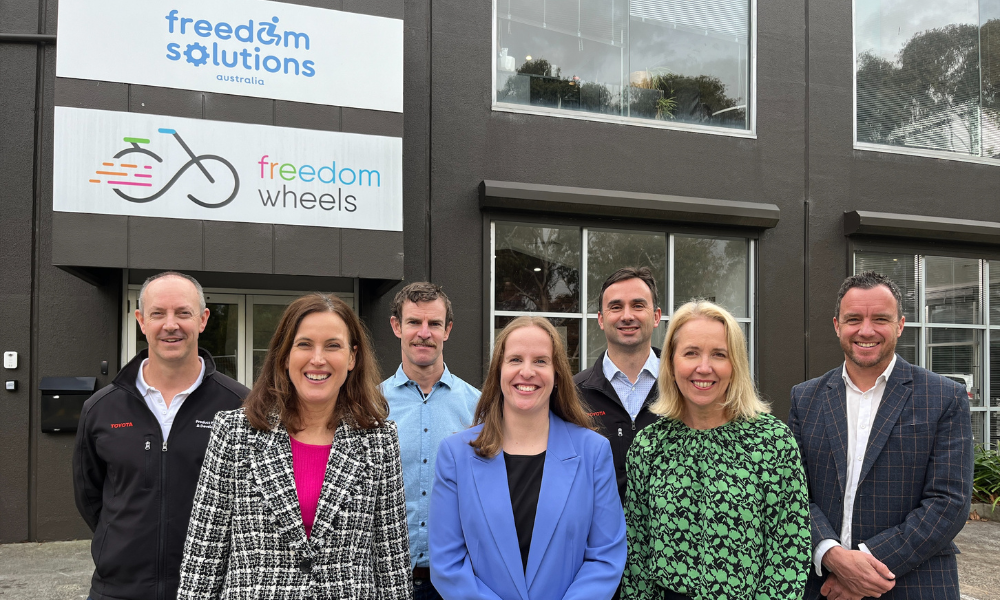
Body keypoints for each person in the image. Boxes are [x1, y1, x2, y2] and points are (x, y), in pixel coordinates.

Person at [176, 294, 411, 599]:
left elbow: (391, 564)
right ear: (284, 355)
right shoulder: (234, 433)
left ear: (352, 357)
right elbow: (202, 559)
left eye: (332, 345)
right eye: (304, 344)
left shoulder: (379, 440)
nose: (318, 359)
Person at [789, 272, 973, 600]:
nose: (866, 330)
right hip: (823, 586)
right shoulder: (805, 398)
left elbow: (949, 502)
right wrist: (832, 556)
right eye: (854, 319)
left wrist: (863, 570)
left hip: (913, 584)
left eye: (881, 319)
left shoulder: (944, 397)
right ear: (836, 325)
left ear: (900, 325)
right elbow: (793, 492)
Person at [73, 271, 248, 600]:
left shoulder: (241, 406)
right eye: (158, 313)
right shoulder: (101, 408)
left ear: (203, 319)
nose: (171, 325)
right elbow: (90, 497)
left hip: (212, 590)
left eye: (183, 312)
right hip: (119, 589)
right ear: (140, 320)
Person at [622, 300, 810, 600]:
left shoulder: (772, 442)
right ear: (670, 363)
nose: (704, 367)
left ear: (735, 365)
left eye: (719, 355)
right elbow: (637, 557)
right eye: (691, 353)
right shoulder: (648, 446)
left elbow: (788, 550)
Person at [430, 316, 627, 600]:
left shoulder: (593, 452)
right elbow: (447, 564)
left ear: (557, 373)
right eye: (515, 360)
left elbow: (605, 558)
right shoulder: (455, 454)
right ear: (498, 370)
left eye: (540, 361)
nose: (527, 371)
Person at [381, 282, 480, 600]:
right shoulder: (370, 406)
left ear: (447, 329)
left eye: (434, 323)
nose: (424, 333)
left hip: (456, 584)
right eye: (413, 322)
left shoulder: (478, 408)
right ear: (397, 326)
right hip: (385, 581)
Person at [574, 267, 662, 503]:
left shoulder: (683, 386)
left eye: (638, 305)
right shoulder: (573, 394)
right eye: (615, 307)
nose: (627, 315)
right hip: (601, 537)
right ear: (601, 319)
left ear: (656, 316)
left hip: (671, 536)